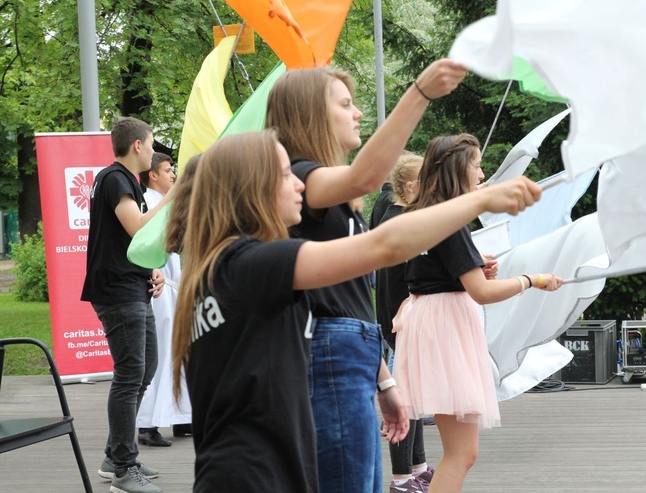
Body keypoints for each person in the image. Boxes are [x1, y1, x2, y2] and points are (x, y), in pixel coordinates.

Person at [169, 130, 543, 492]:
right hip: (258, 472)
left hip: (242, 467)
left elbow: (335, 307)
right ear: (249, 188)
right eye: (286, 174)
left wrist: (384, 380)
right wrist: (477, 201)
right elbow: (383, 245)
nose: (301, 184)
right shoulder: (254, 263)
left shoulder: (213, 272)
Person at [265, 58, 467, 493]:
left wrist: (384, 380)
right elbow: (366, 177)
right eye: (346, 104)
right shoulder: (302, 175)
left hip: (351, 351)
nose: (358, 113)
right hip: (330, 353)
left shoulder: (325, 190)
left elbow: (343, 297)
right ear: (311, 115)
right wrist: (420, 93)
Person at [392, 134, 564, 493]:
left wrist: (471, 267)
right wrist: (533, 279)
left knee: (460, 451)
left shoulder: (424, 213)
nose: (482, 175)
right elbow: (482, 293)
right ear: (458, 170)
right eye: (476, 165)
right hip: (446, 328)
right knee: (462, 453)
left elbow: (430, 272)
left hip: (428, 320)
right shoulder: (451, 220)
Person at [81, 117, 170, 493]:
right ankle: (123, 469)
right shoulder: (116, 179)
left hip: (132, 286)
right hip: (117, 292)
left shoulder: (126, 181)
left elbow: (131, 243)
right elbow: (138, 228)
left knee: (145, 367)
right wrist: (174, 196)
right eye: (151, 143)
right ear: (137, 146)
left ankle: (113, 455)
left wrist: (153, 268)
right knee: (130, 374)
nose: (153, 150)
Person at [376, 154, 434, 493]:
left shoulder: (400, 216)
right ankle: (401, 478)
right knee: (407, 399)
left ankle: (418, 465)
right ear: (411, 186)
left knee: (416, 397)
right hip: (402, 322)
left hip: (400, 319)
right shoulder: (400, 220)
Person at [135, 152, 192, 447]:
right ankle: (147, 423)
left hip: (171, 284)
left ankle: (180, 415)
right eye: (168, 171)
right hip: (157, 287)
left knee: (177, 350)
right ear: (153, 175)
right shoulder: (147, 202)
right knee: (157, 355)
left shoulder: (164, 202)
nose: (173, 175)